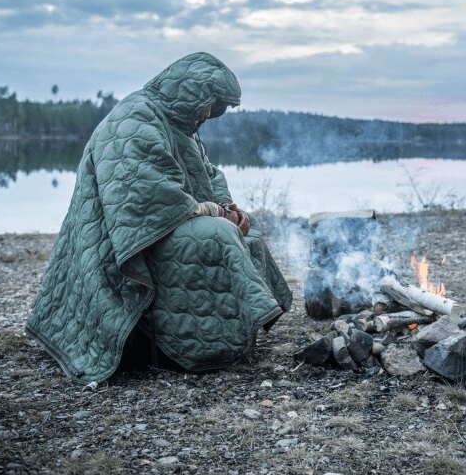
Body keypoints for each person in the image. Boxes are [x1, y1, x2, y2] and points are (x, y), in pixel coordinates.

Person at [26, 52, 292, 383]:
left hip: (167, 222)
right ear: (191, 92)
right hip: (129, 237)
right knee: (219, 236)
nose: (208, 113)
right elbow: (151, 194)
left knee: (246, 232)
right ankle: (189, 348)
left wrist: (229, 206)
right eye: (208, 104)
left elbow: (208, 175)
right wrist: (215, 213)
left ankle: (229, 337)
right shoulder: (135, 118)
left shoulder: (180, 125)